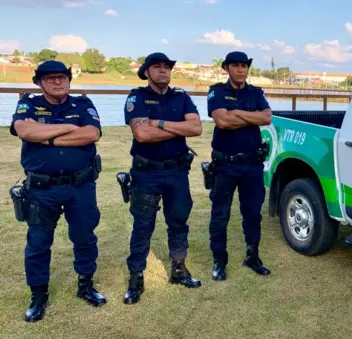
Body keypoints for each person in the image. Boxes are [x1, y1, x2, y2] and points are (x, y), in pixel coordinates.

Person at [9, 60, 106, 322]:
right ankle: (38, 295)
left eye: (62, 77)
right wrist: (67, 129)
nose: (57, 82)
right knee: (38, 243)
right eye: (50, 78)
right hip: (42, 189)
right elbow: (24, 129)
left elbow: (91, 134)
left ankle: (85, 285)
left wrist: (45, 136)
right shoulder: (28, 103)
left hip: (80, 186)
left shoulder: (83, 104)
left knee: (85, 237)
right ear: (39, 82)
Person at [122, 52, 203, 305]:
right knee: (143, 225)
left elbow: (196, 128)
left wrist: (157, 122)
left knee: (179, 221)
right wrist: (175, 127)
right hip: (147, 172)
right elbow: (142, 135)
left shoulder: (181, 97)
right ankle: (136, 278)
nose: (163, 71)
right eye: (156, 67)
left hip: (177, 172)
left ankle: (178, 269)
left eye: (166, 67)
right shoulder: (137, 97)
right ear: (146, 72)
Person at [207, 51, 273, 281]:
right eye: (235, 65)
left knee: (253, 214)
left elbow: (266, 118)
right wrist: (249, 116)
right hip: (225, 165)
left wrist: (237, 112)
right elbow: (222, 121)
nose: (240, 69)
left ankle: (252, 256)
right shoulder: (217, 91)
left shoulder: (255, 93)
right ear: (226, 68)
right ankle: (219, 261)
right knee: (220, 214)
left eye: (244, 65)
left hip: (252, 166)